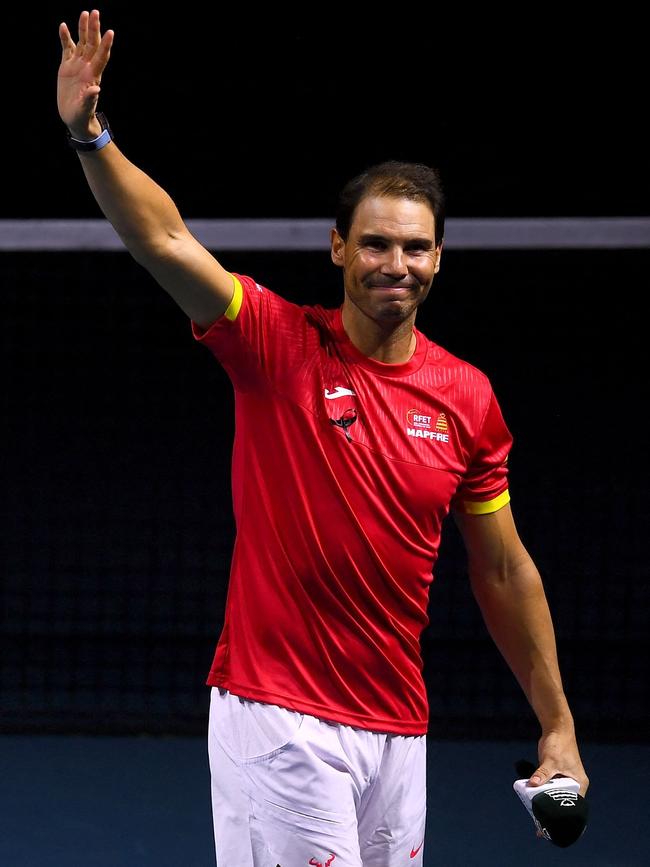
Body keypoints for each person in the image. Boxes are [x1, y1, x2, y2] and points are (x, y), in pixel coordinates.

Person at [58, 10, 589, 866]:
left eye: (416, 248)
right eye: (375, 243)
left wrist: (557, 724)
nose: (396, 263)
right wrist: (91, 137)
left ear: (441, 260)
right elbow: (161, 237)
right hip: (278, 715)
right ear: (339, 248)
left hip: (397, 728)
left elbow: (500, 567)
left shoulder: (468, 399)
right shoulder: (274, 343)